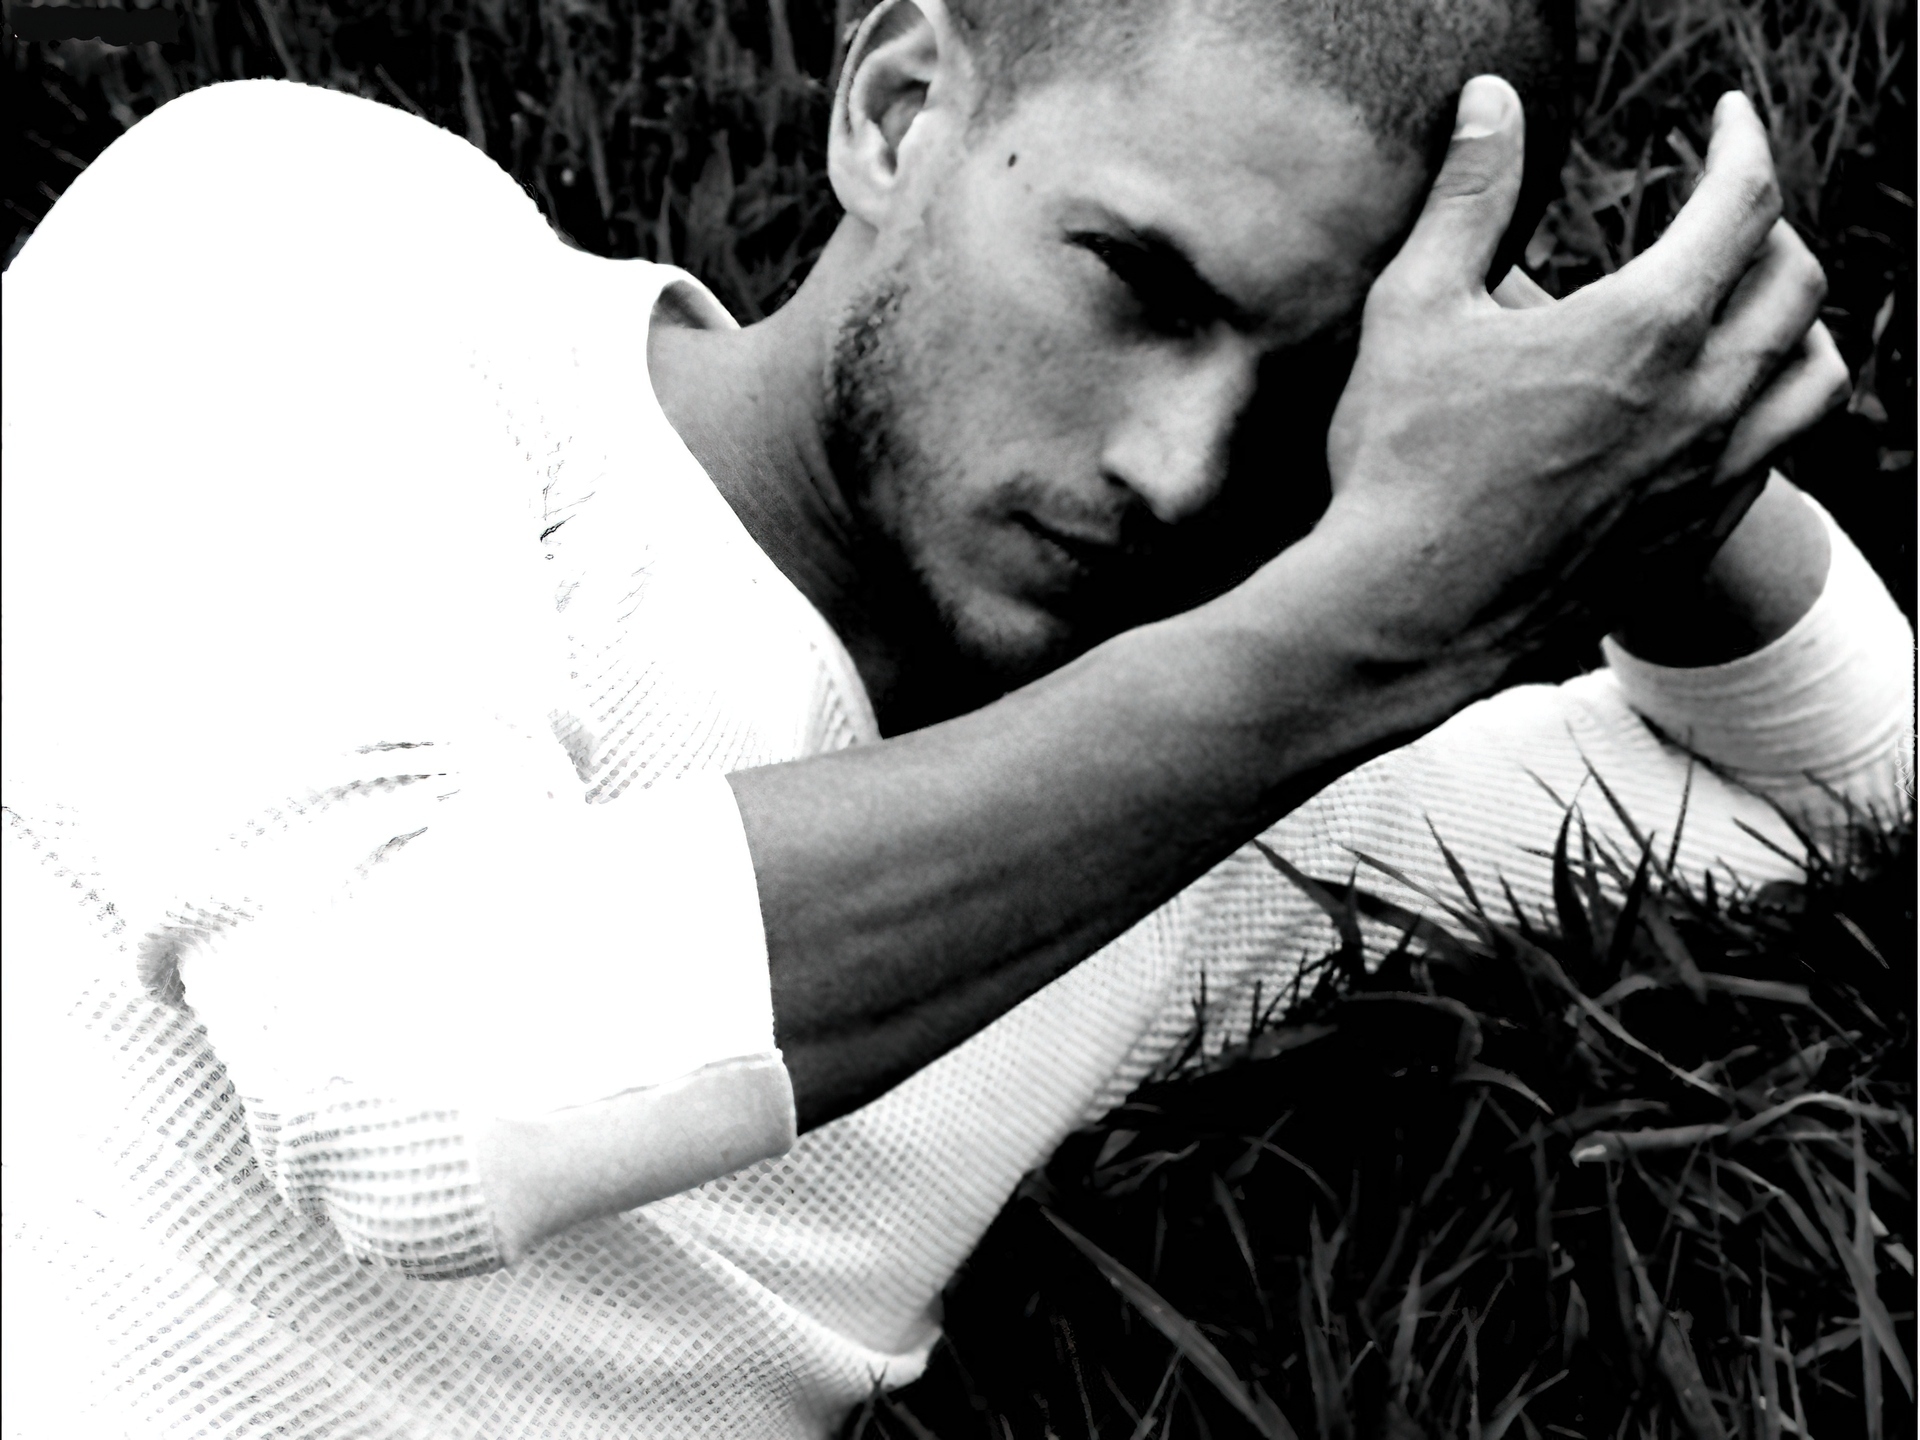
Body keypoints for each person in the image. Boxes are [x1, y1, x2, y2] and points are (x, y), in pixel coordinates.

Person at [1, 0, 1907, 1431]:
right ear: (900, 106)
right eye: (1139, 281)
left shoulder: (1182, 792)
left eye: (1315, 375)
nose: (1183, 465)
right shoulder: (317, 245)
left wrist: (1601, 430)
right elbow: (409, 1076)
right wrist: (1374, 621)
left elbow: (1837, 794)